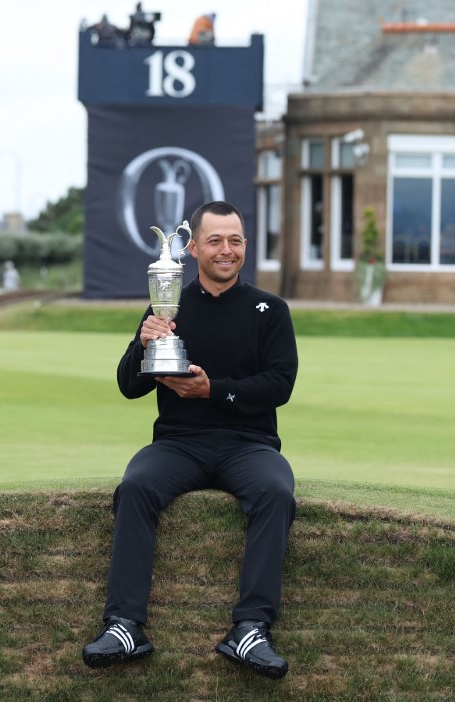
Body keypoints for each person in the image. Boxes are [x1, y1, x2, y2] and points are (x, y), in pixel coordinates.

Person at [82, 201, 298, 680]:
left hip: (250, 444)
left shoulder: (270, 310)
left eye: (236, 240)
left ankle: (250, 629)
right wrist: (142, 342)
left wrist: (212, 389)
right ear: (194, 248)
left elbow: (280, 384)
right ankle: (124, 626)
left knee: (276, 491)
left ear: (245, 246)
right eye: (216, 240)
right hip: (178, 444)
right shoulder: (169, 304)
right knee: (136, 485)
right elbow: (129, 385)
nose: (227, 250)